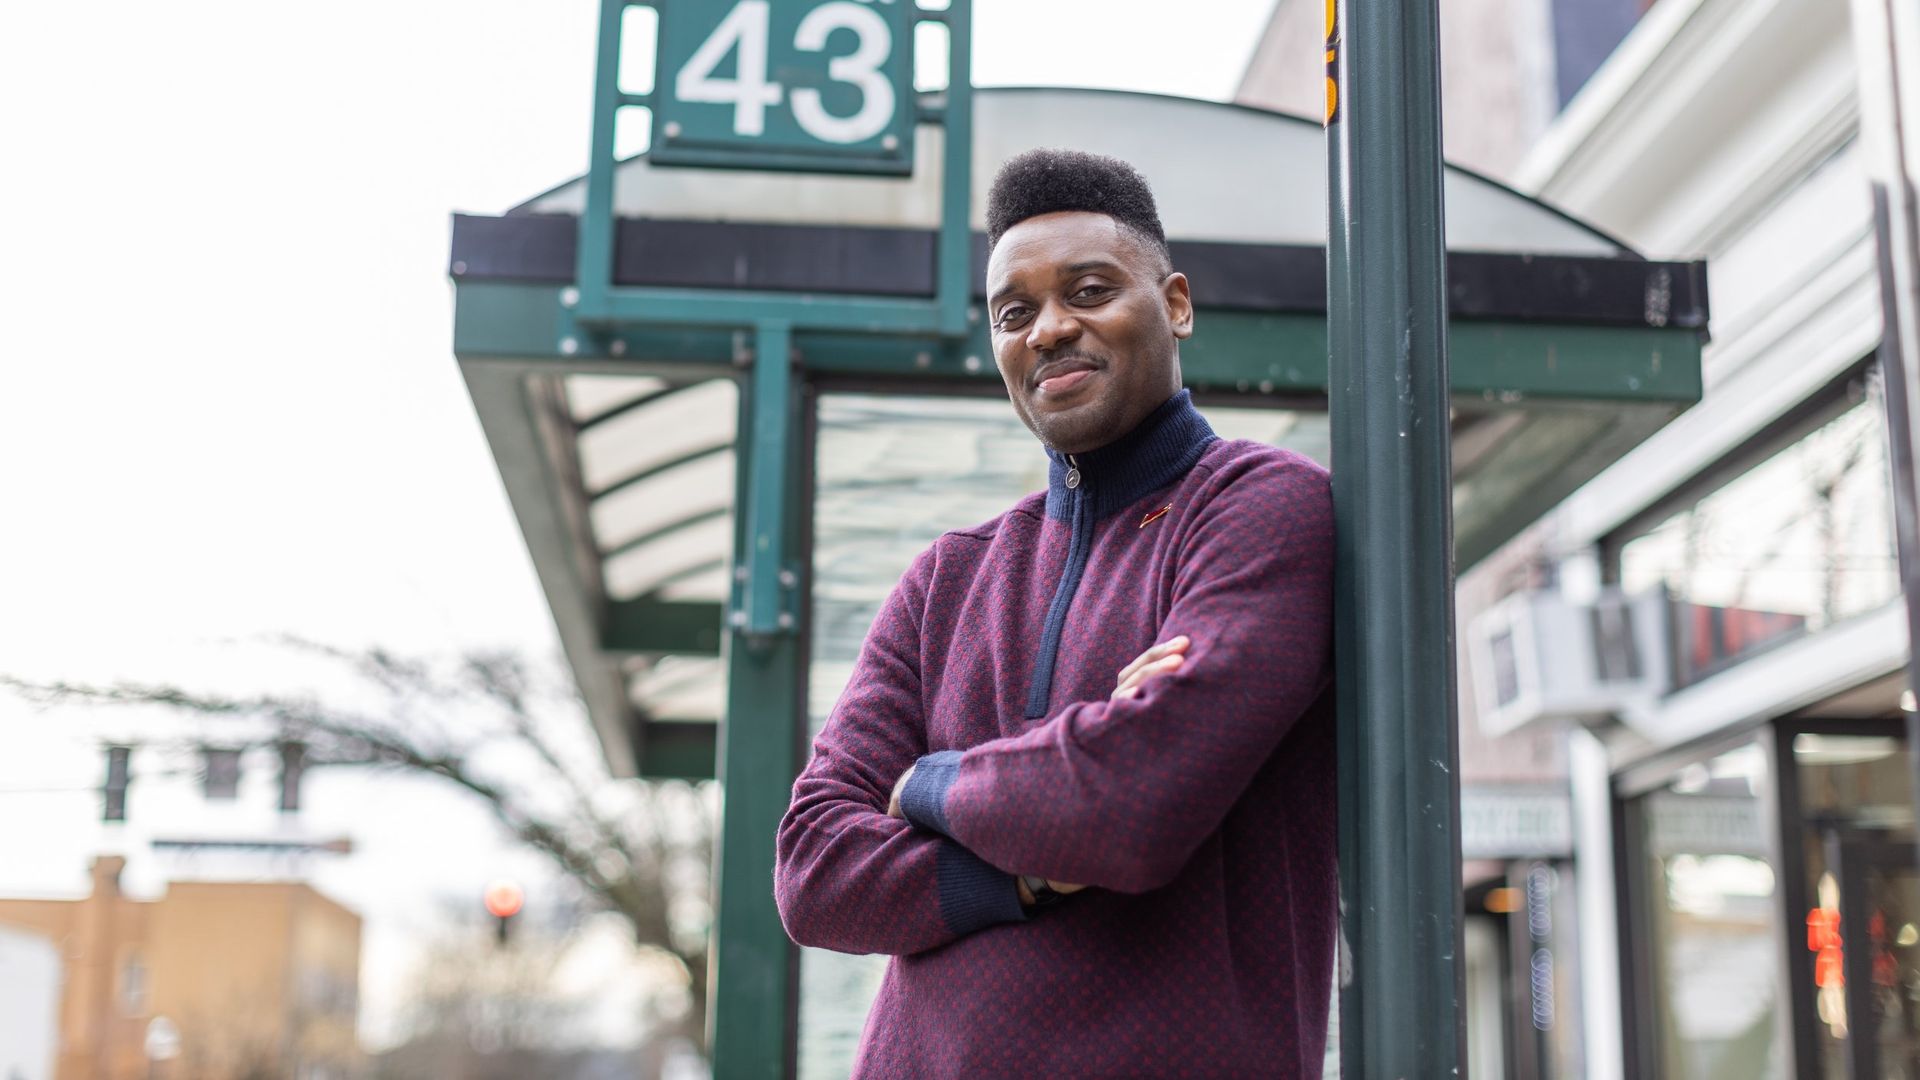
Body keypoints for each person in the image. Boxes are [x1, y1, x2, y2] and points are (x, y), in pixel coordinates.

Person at [774, 148, 1336, 1078]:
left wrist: (920, 785)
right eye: (1015, 311)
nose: (1049, 330)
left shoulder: (1258, 506)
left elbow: (1129, 803)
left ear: (1177, 305)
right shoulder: (947, 579)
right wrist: (1024, 870)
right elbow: (814, 869)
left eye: (1088, 289)